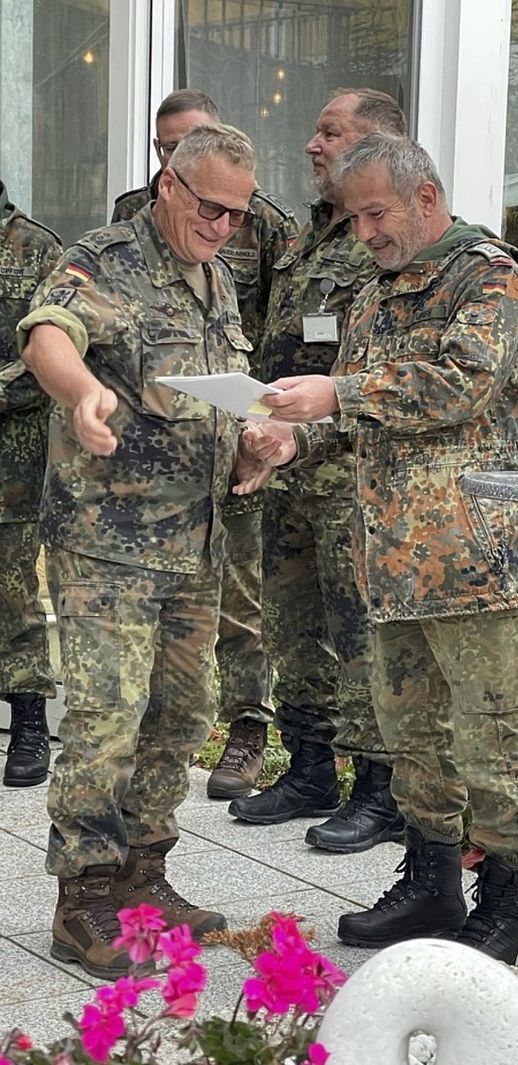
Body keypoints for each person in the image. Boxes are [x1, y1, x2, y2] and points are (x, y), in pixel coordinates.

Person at [237, 132, 518, 965]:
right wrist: (293, 443)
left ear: (427, 199)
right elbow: (359, 423)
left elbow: (462, 382)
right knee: (412, 734)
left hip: (469, 558)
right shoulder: (375, 295)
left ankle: (508, 895)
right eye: (353, 215)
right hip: (389, 560)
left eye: (376, 213)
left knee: (490, 733)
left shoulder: (488, 274)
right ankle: (431, 879)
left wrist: (337, 390)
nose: (364, 230)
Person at [17, 124, 257, 980]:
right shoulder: (105, 257)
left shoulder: (218, 280)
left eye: (238, 213)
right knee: (106, 720)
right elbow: (48, 332)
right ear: (168, 183)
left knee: (181, 716)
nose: (225, 226)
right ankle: (81, 899)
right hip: (109, 541)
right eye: (210, 207)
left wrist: (254, 447)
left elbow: (219, 399)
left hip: (195, 540)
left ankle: (143, 875)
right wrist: (82, 396)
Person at [228, 90, 408, 856]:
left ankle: (377, 789)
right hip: (289, 464)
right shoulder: (305, 236)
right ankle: (308, 766)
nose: (311, 144)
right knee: (293, 623)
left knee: (357, 630)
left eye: (329, 132)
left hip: (353, 474)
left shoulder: (386, 240)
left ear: (377, 144)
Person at [113, 89, 299, 800]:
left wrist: (268, 422)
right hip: (156, 445)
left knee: (241, 598)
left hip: (241, 424)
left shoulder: (264, 226)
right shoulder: (132, 217)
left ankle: (249, 728)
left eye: (184, 142)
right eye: (164, 149)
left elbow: (284, 329)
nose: (172, 158)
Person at [0, 181, 60, 788]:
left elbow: (47, 357)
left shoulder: (35, 248)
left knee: (12, 597)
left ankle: (28, 721)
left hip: (10, 464)